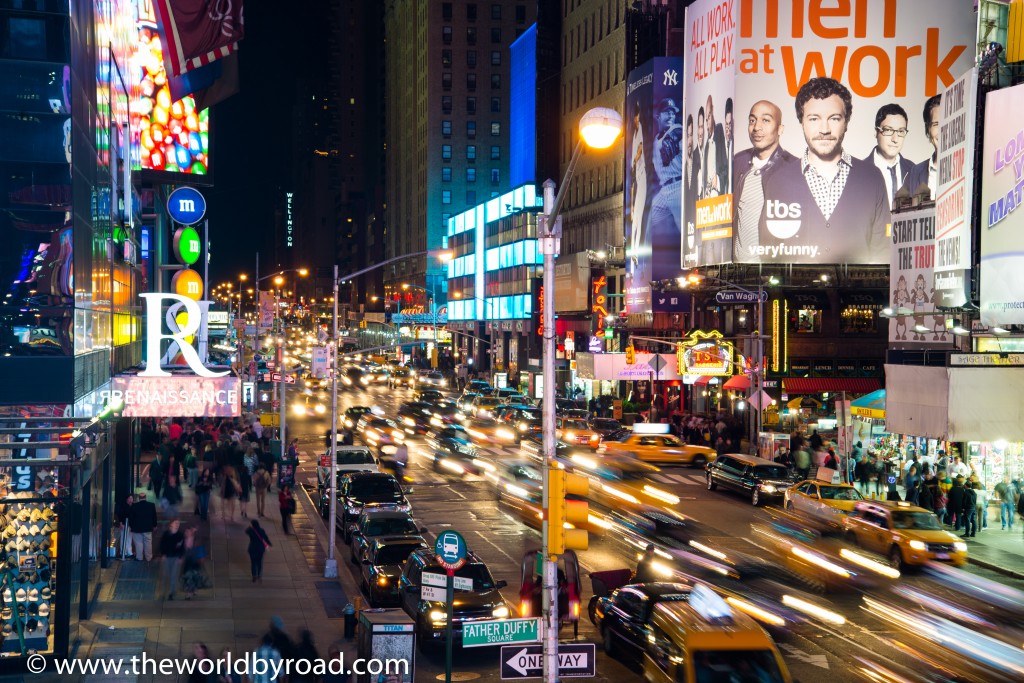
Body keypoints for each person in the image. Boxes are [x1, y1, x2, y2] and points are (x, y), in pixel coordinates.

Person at [766, 77, 890, 264]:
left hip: (862, 292)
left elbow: (883, 249)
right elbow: (768, 254)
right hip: (791, 292)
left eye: (834, 118)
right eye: (814, 118)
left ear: (846, 122)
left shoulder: (871, 178)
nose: (824, 129)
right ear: (802, 122)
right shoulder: (777, 181)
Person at [863, 103, 915, 208]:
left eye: (901, 131)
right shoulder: (860, 172)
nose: (895, 139)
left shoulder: (914, 170)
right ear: (876, 132)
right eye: (888, 130)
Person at [898, 95, 941, 200]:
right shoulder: (915, 172)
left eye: (949, 123)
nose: (943, 130)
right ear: (928, 129)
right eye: (936, 124)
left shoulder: (970, 169)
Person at [627, 101, 648, 277]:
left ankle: (636, 251)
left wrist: (635, 160)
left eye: (638, 117)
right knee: (634, 220)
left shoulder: (639, 129)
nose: (636, 120)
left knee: (639, 218)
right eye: (636, 117)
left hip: (643, 179)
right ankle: (634, 251)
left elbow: (640, 148)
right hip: (637, 180)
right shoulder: (633, 133)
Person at [128, 491, 158, 561]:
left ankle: (139, 557)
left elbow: (131, 518)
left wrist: (131, 526)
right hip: (148, 528)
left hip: (136, 529)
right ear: (145, 498)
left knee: (138, 543)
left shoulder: (134, 506)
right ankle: (149, 557)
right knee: (148, 543)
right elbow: (154, 517)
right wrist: (155, 525)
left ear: (139, 498)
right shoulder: (151, 505)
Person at [160, 519, 186, 601]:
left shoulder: (180, 535)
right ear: (171, 524)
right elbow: (162, 544)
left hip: (176, 558)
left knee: (174, 575)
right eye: (176, 523)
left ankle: (171, 592)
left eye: (178, 523)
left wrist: (181, 557)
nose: (177, 525)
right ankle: (164, 592)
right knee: (165, 575)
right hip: (167, 557)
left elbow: (182, 547)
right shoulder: (166, 534)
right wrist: (163, 554)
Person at [181, 526, 209, 599]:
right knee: (189, 578)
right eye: (186, 532)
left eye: (188, 532)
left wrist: (201, 558)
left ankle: (190, 592)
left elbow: (201, 550)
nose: (186, 533)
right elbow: (183, 551)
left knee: (193, 578)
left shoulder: (196, 541)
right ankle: (190, 592)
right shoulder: (184, 541)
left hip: (195, 562)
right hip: (188, 563)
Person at [246, 519, 272, 583]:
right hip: (260, 548)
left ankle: (254, 576)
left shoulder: (251, 531)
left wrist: (249, 527)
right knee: (259, 562)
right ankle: (259, 576)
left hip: (252, 548)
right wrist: (269, 543)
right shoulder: (261, 530)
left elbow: (246, 531)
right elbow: (266, 538)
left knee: (253, 563)